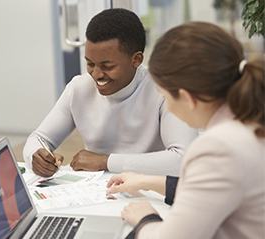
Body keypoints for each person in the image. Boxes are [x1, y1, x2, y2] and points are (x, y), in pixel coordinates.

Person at [107, 22, 264, 239]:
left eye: (165, 96)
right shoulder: (252, 121)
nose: (168, 106)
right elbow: (214, 190)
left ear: (188, 98)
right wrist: (146, 181)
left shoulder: (219, 147)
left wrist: (145, 219)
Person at [23, 8, 198, 178]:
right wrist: (35, 156)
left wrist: (106, 162)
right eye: (90, 64)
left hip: (149, 193)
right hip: (95, 193)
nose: (97, 75)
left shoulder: (165, 90)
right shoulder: (78, 88)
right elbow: (39, 138)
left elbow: (183, 159)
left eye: (107, 66)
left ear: (136, 60)